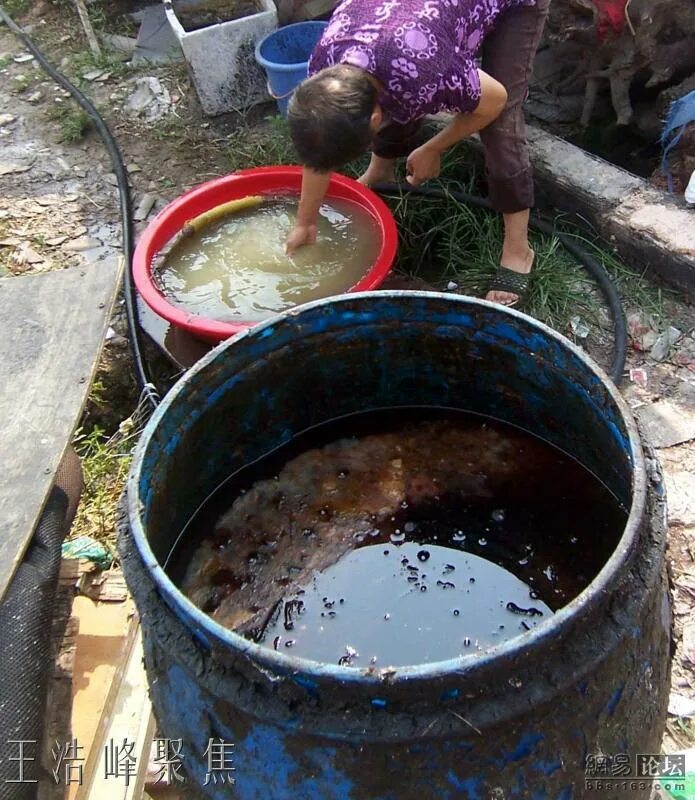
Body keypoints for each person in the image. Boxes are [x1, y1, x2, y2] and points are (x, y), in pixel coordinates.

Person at [285, 0, 551, 307]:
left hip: (510, 6)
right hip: (413, 29)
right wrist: (305, 222)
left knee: (500, 127)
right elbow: (321, 148)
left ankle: (518, 250)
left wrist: (433, 148)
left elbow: (496, 100)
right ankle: (381, 172)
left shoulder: (421, 71)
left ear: (375, 120)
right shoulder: (324, 64)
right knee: (397, 90)